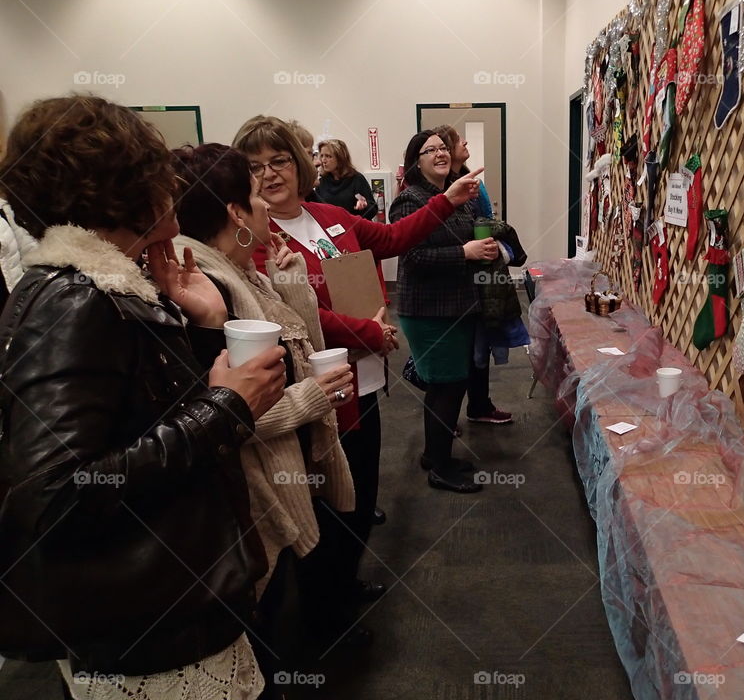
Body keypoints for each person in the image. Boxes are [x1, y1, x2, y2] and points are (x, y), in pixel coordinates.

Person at [0, 95, 287, 699]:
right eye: (159, 173)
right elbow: (55, 498)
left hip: (165, 597)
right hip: (144, 625)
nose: (174, 187)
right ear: (120, 188)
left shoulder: (110, 283)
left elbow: (144, 415)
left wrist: (205, 325)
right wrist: (224, 408)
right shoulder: (75, 299)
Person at [232, 115, 482, 633]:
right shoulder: (254, 235)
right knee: (326, 502)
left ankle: (343, 581)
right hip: (317, 390)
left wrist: (447, 200)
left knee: (362, 494)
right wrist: (369, 334)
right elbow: (292, 315)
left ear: (299, 164)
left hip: (362, 382)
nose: (269, 174)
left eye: (278, 160)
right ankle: (324, 607)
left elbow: (391, 239)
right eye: (255, 166)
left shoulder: (328, 214)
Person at [171, 143, 357, 686]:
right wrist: (314, 397)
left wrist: (293, 281)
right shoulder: (212, 283)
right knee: (269, 622)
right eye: (254, 193)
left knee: (282, 611)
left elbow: (299, 346)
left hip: (275, 473)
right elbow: (244, 409)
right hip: (255, 491)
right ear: (234, 212)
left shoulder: (236, 270)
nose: (265, 204)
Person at [390, 130, 500, 493]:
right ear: (416, 160)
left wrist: (485, 244)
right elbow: (414, 257)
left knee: (449, 384)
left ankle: (433, 454)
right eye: (429, 150)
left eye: (442, 148)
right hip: (427, 309)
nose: (439, 153)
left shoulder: (457, 192)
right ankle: (440, 468)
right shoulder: (410, 200)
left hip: (457, 303)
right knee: (446, 385)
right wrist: (464, 253)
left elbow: (470, 233)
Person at [434, 124, 525, 425]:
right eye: (458, 140)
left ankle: (478, 406)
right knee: (457, 351)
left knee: (478, 343)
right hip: (452, 277)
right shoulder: (438, 188)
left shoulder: (472, 182)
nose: (464, 142)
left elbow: (486, 220)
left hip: (478, 274)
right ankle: (446, 422)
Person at [315, 138, 378, 220]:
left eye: (328, 156)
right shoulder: (322, 182)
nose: (323, 160)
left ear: (340, 158)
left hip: (354, 228)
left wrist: (364, 206)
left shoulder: (357, 179)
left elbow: (373, 209)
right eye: (322, 156)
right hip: (331, 229)